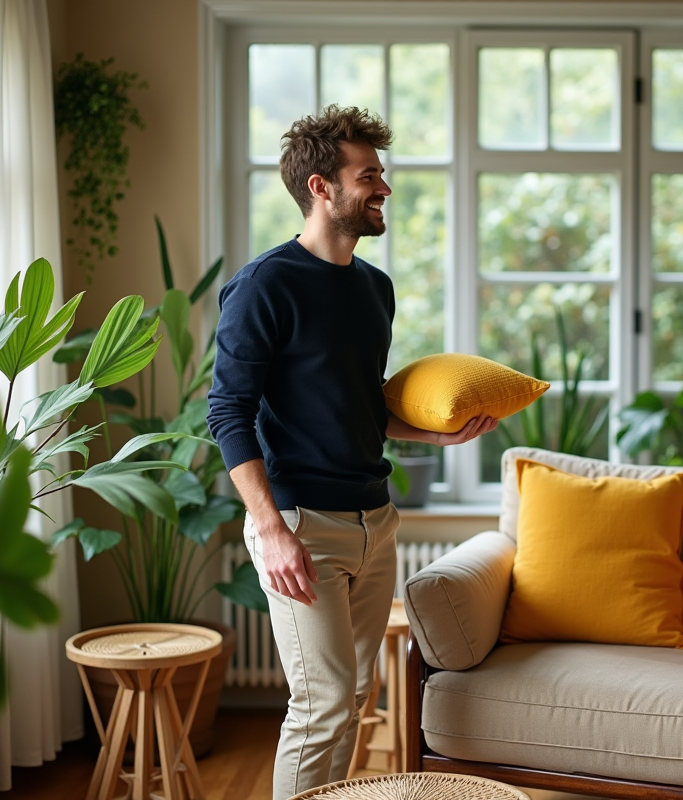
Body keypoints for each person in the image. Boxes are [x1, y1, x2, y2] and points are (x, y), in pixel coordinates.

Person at [206, 105, 497, 798]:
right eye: (369, 175)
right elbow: (227, 411)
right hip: (302, 525)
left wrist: (431, 434)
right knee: (321, 706)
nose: (384, 189)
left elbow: (359, 407)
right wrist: (270, 529)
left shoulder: (375, 289)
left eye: (382, 174)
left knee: (353, 701)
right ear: (320, 187)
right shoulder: (264, 285)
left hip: (375, 520)